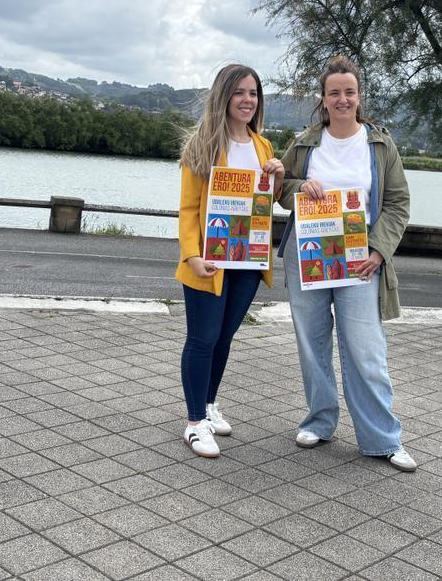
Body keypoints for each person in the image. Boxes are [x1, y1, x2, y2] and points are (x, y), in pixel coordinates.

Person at [277, 55, 416, 472]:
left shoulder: (379, 144)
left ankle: (383, 438)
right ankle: (320, 421)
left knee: (365, 349)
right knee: (312, 343)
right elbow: (280, 191)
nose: (342, 99)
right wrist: (301, 185)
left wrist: (378, 250)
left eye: (349, 92)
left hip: (360, 263)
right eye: (334, 92)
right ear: (323, 99)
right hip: (308, 259)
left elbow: (397, 204)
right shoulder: (304, 143)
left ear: (359, 97)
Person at [176, 64, 284, 458]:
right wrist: (191, 255)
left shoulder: (263, 147)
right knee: (202, 339)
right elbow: (188, 209)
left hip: (248, 262)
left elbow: (265, 203)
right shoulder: (202, 145)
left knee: (224, 337)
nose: (247, 100)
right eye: (239, 92)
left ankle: (207, 405)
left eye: (253, 93)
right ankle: (193, 423)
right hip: (209, 261)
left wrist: (277, 176)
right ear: (224, 96)